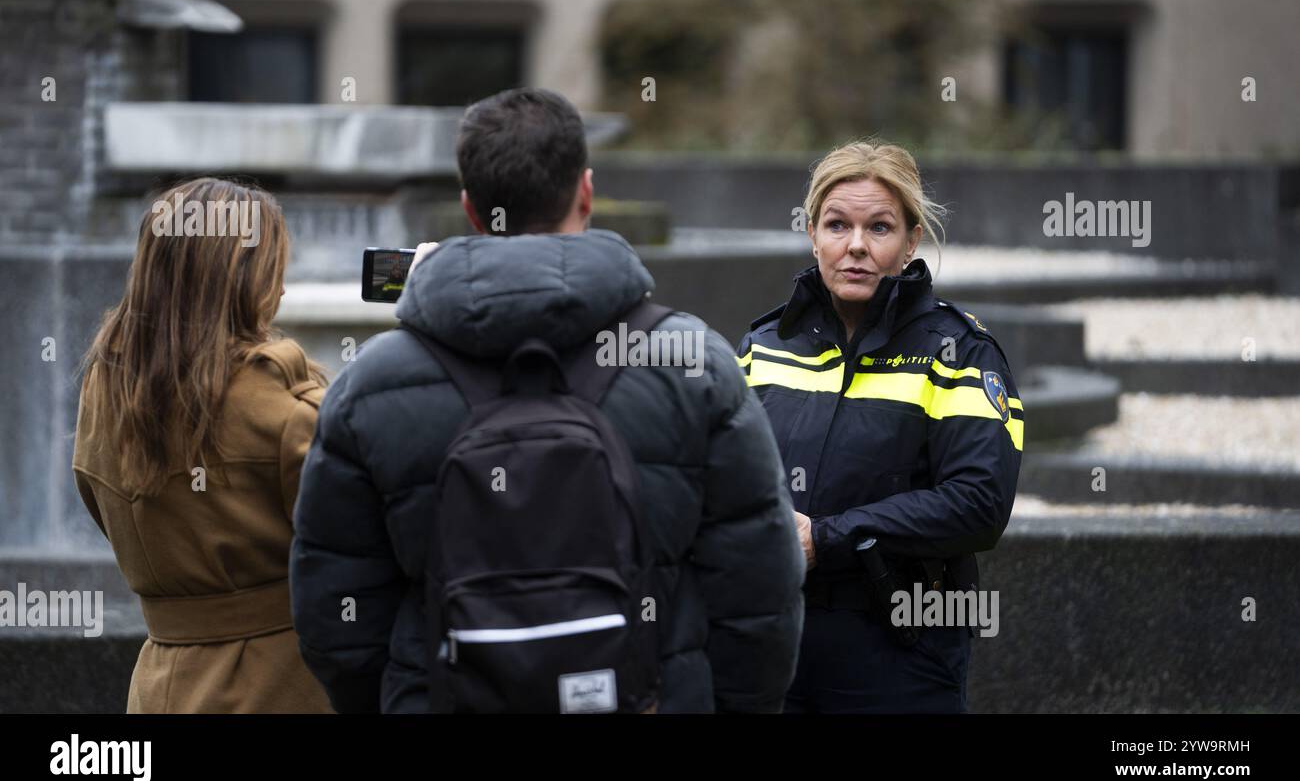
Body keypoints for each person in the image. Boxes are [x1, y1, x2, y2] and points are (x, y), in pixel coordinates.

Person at [289, 88, 804, 714]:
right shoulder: (694, 361)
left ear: (471, 210)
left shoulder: (370, 382)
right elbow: (761, 586)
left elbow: (334, 610)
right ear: (586, 193)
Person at [737, 140, 1023, 713]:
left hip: (902, 652)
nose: (856, 247)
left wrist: (827, 538)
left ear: (912, 239)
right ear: (812, 232)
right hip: (771, 647)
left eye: (880, 227)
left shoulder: (959, 354)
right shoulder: (762, 347)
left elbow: (978, 505)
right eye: (837, 225)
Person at [73, 177, 333, 713]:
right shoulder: (279, 405)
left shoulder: (104, 389)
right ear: (237, 276)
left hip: (159, 684)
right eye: (272, 270)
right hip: (279, 683)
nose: (281, 291)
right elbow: (360, 537)